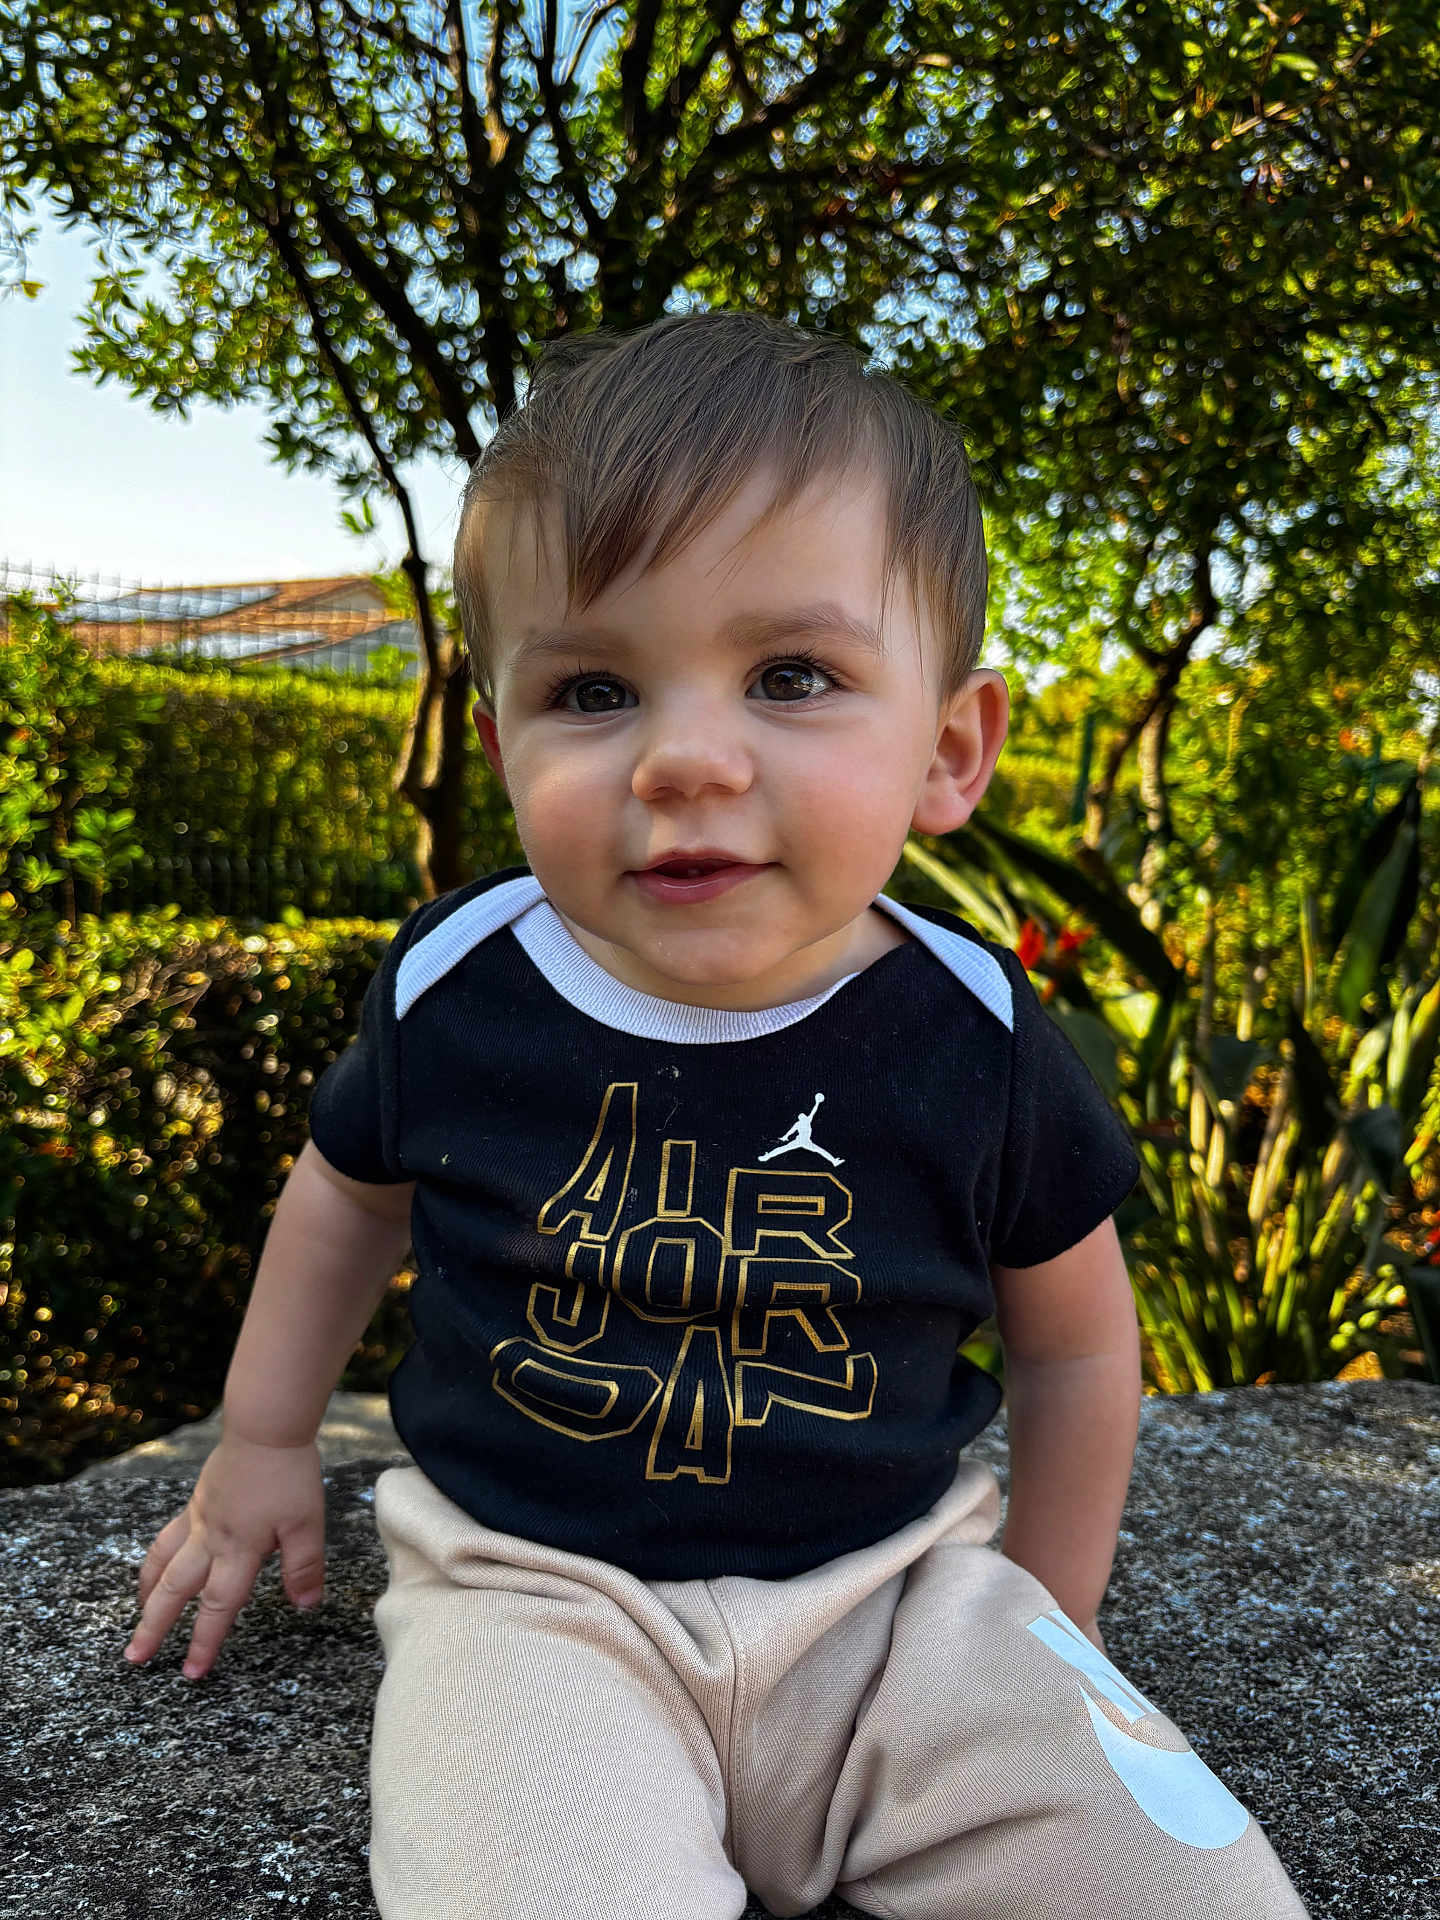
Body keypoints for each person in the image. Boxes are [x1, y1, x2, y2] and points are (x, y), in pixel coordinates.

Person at [121, 313, 1308, 1919]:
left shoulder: (974, 1034)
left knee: (1199, 1890)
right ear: (502, 743)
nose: (684, 756)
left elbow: (1080, 1340)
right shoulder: (462, 987)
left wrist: (1052, 1609)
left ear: (950, 747)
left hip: (905, 1605)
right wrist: (258, 1442)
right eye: (596, 688)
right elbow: (344, 1197)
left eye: (793, 676)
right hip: (535, 1600)